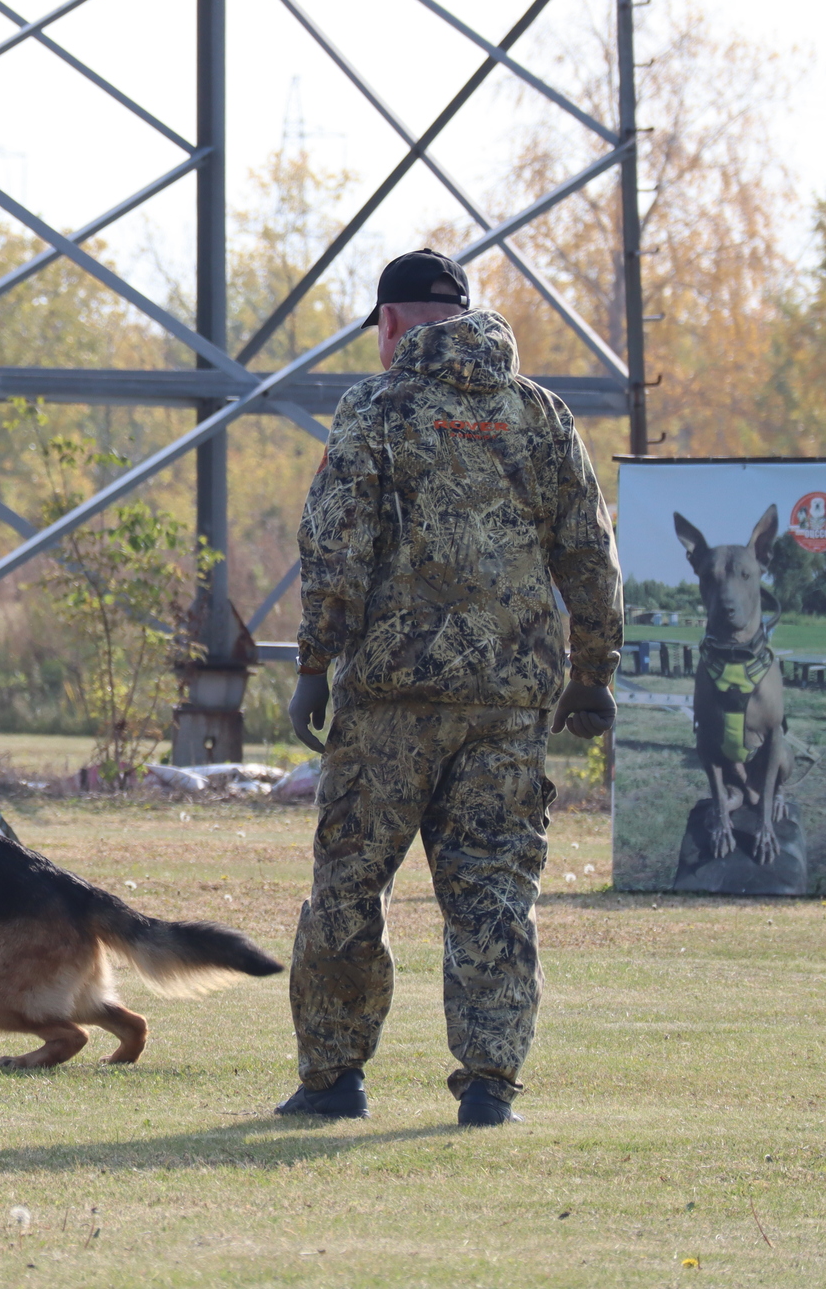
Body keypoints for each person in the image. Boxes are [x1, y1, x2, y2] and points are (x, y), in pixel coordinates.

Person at [278, 249, 622, 1127]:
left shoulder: (378, 406)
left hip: (390, 702)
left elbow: (335, 545)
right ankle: (489, 1086)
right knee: (495, 892)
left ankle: (333, 1078)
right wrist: (592, 674)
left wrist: (313, 665)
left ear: (390, 324)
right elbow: (590, 551)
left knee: (351, 886)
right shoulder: (540, 414)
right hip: (510, 707)